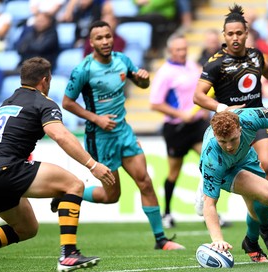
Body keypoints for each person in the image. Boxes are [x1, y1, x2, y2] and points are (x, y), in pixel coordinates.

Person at [56, 20, 185, 250]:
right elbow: (67, 103)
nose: (105, 41)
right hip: (100, 136)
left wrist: (144, 80)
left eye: (108, 36)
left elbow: (141, 84)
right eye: (100, 38)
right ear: (91, 42)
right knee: (112, 195)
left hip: (123, 131)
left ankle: (160, 239)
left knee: (144, 181)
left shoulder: (122, 60)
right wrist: (96, 118)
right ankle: (68, 193)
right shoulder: (83, 70)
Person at [0, 57, 115, 272]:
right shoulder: (44, 103)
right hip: (8, 170)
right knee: (74, 185)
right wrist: (92, 165)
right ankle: (68, 255)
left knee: (27, 229)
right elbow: (59, 135)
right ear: (45, 80)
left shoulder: (8, 102)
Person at [193, 4, 268, 250]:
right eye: (230, 34)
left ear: (246, 32)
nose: (235, 38)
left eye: (239, 33)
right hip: (230, 124)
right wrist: (221, 109)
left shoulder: (256, 55)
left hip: (254, 120)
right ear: (224, 35)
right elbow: (198, 96)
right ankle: (209, 180)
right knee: (250, 188)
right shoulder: (215, 63)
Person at [200, 108, 268, 262]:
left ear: (240, 129)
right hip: (225, 170)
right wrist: (217, 239)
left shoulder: (249, 118)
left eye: (233, 139)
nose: (229, 146)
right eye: (223, 141)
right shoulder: (211, 160)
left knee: (255, 206)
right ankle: (267, 230)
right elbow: (209, 204)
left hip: (246, 157)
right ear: (215, 136)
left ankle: (251, 243)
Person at [149, 32, 210, 228]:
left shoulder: (193, 66)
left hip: (197, 125)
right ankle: (166, 212)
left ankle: (209, 210)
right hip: (176, 128)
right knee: (174, 173)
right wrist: (181, 114)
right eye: (178, 50)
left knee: (211, 163)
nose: (182, 53)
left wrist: (203, 110)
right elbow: (155, 104)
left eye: (184, 49)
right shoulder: (164, 73)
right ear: (170, 51)